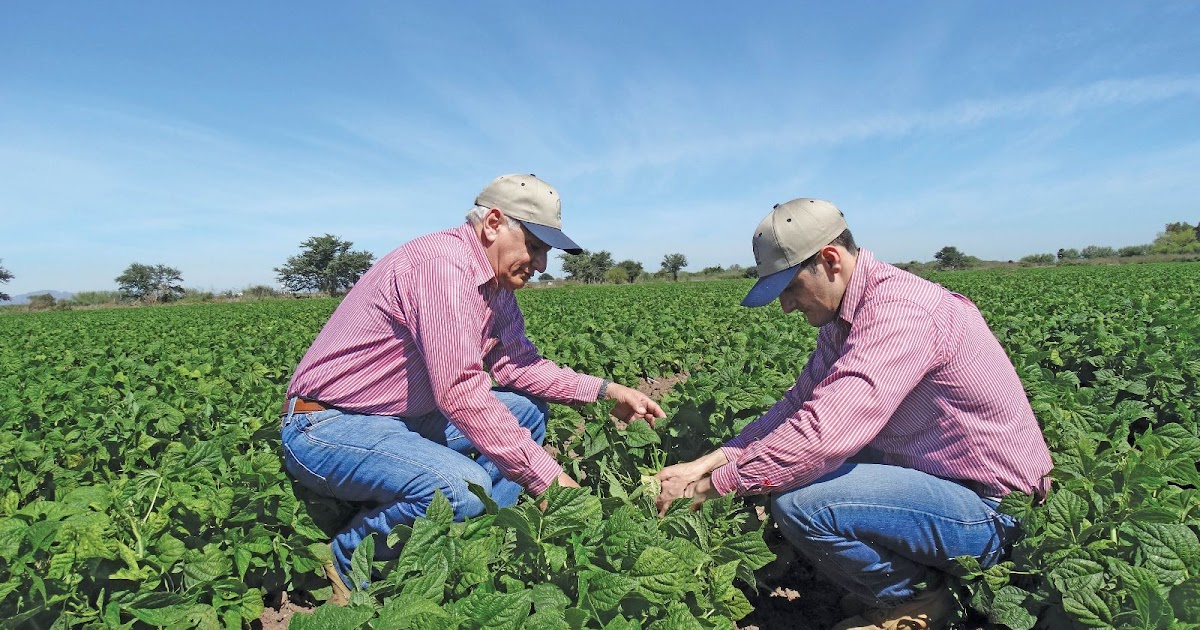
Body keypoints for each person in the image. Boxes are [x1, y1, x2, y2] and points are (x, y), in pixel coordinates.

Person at [654, 199, 1052, 630]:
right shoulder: (844, 318)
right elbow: (797, 405)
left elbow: (822, 435)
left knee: (801, 503)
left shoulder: (901, 312)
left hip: (994, 509)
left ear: (830, 260)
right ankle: (920, 585)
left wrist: (714, 487)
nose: (786, 306)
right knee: (803, 471)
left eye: (790, 288)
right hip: (942, 486)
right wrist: (706, 463)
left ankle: (923, 599)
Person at [281, 173, 665, 593]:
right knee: (458, 489)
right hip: (329, 425)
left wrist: (605, 392)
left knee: (527, 411)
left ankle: (472, 539)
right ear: (494, 223)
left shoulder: (495, 285)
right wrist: (546, 480)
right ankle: (346, 560)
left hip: (402, 419)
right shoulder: (442, 268)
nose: (541, 264)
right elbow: (460, 390)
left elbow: (518, 365)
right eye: (534, 246)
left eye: (546, 251)